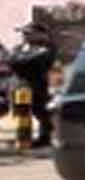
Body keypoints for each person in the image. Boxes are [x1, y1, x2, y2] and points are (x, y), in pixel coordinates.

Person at [11, 21, 56, 149]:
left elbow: (38, 60)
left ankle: (45, 137)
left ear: (39, 34)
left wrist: (22, 61)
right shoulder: (20, 48)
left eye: (28, 33)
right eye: (23, 33)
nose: (24, 36)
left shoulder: (47, 48)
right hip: (20, 85)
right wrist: (24, 61)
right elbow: (12, 60)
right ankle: (23, 139)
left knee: (41, 112)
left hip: (37, 86)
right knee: (22, 113)